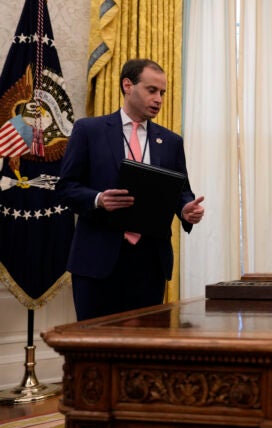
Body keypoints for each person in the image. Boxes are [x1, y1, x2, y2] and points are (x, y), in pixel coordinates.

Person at [57, 58, 204, 321]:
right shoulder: (89, 130)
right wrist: (99, 199)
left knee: (142, 347)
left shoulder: (170, 141)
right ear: (128, 85)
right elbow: (66, 188)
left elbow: (181, 190)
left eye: (162, 93)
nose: (159, 99)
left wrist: (186, 208)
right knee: (97, 350)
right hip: (97, 261)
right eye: (152, 90)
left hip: (149, 263)